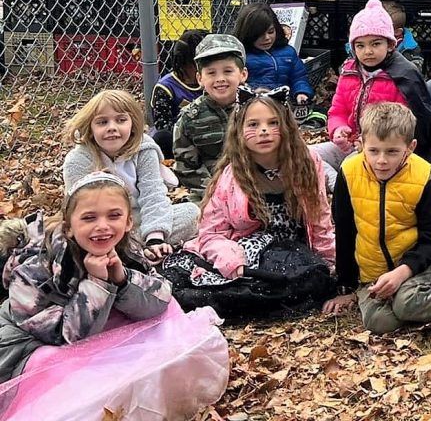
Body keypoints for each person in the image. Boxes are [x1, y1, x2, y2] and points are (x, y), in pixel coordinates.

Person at [322, 103, 431, 333]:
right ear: (361, 144)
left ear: (410, 147)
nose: (381, 160)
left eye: (392, 151)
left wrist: (403, 271)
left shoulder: (420, 174)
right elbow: (345, 232)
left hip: (414, 264)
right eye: (373, 151)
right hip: (373, 272)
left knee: (405, 304)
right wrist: (346, 286)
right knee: (379, 322)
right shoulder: (349, 172)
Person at [161, 91, 336, 320]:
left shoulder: (307, 164)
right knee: (197, 286)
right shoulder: (232, 175)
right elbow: (211, 233)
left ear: (287, 127)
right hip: (247, 251)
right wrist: (233, 262)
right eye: (253, 124)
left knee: (312, 280)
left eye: (273, 123)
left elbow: (320, 218)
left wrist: (331, 266)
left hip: (294, 253)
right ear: (239, 131)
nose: (263, 131)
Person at [0, 173, 172, 381]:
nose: (102, 226)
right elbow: (66, 337)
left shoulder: (127, 248)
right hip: (29, 341)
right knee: (66, 373)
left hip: (85, 323)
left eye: (114, 216)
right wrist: (97, 283)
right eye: (89, 218)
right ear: (69, 228)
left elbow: (161, 300)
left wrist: (122, 279)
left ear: (128, 222)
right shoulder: (34, 269)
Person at [62, 90, 200, 263]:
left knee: (191, 213)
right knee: (61, 235)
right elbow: (77, 209)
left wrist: (155, 238)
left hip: (138, 221)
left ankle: (140, 249)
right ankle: (125, 251)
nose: (112, 127)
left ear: (133, 124)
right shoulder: (78, 160)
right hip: (101, 225)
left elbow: (153, 195)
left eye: (121, 120)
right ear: (90, 127)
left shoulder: (144, 150)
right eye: (102, 122)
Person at [319, 0, 431, 174]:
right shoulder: (348, 72)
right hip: (350, 143)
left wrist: (366, 143)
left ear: (390, 44)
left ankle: (341, 185)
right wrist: (339, 129)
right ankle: (335, 185)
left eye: (375, 43)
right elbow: (338, 110)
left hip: (383, 150)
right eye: (360, 45)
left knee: (350, 168)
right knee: (309, 156)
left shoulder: (403, 74)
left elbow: (403, 125)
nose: (368, 51)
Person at [172, 34, 249, 201]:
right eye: (211, 73)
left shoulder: (258, 109)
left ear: (242, 74)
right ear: (200, 78)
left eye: (228, 71)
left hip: (256, 185)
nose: (220, 79)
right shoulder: (190, 118)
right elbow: (187, 168)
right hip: (209, 193)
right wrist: (217, 193)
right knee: (191, 216)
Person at [233, 3, 312, 106]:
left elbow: (299, 77)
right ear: (248, 34)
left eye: (270, 32)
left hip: (286, 105)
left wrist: (301, 92)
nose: (267, 38)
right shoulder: (241, 57)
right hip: (254, 106)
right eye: (259, 34)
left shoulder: (288, 52)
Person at [150, 29, 206, 158]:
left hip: (211, 133)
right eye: (201, 62)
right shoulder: (166, 88)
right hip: (181, 139)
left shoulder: (213, 81)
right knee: (163, 137)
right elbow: (163, 126)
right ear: (184, 62)